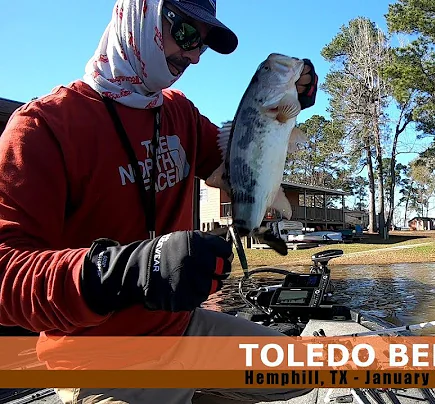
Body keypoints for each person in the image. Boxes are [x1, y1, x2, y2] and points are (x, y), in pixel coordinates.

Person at [0, 0, 319, 403]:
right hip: (97, 358)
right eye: (186, 33)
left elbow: (242, 161)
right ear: (138, 15)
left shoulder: (178, 113)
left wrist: (282, 114)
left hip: (182, 331)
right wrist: (124, 271)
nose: (192, 57)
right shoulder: (43, 127)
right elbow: (6, 277)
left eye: (201, 45)